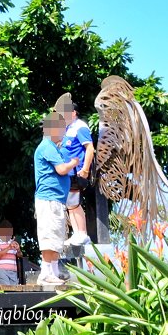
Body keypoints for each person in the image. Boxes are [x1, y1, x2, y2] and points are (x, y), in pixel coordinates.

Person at [34, 111, 81, 285]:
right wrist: (73, 163)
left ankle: (53, 271)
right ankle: (45, 273)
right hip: (49, 199)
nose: (63, 132)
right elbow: (61, 169)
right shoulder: (46, 146)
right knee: (49, 235)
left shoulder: (53, 147)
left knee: (57, 237)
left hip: (56, 200)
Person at [56, 94, 95, 246]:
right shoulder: (68, 128)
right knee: (70, 203)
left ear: (73, 113)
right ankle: (77, 233)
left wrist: (85, 169)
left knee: (74, 203)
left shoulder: (80, 127)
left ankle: (82, 233)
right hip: (67, 173)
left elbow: (90, 148)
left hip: (77, 171)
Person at [0, 220, 22, 286]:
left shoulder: (12, 242)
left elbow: (20, 255)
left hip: (13, 271)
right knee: (6, 290)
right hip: (2, 270)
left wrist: (18, 249)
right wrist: (9, 247)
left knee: (14, 291)